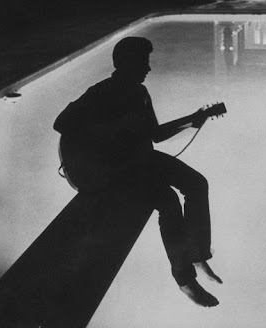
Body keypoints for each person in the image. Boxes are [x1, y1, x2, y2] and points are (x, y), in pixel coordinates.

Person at [53, 36, 222, 307]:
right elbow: (61, 123)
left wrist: (193, 120)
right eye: (143, 62)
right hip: (109, 171)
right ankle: (184, 279)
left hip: (137, 160)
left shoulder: (140, 93)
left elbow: (155, 135)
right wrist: (112, 129)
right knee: (168, 201)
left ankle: (198, 253)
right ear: (125, 63)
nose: (148, 68)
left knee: (196, 183)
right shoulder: (102, 92)